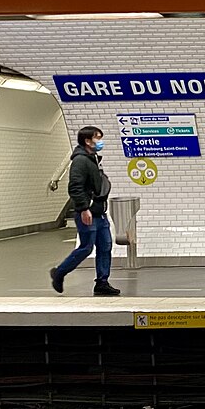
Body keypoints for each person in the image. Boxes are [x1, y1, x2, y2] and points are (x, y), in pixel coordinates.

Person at [51, 125, 120, 296]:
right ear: (87, 141)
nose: (100, 141)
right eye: (97, 138)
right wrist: (83, 209)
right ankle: (59, 272)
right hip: (87, 213)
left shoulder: (93, 158)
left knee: (105, 247)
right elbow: (75, 187)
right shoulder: (80, 161)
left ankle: (102, 282)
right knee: (86, 248)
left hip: (99, 212)